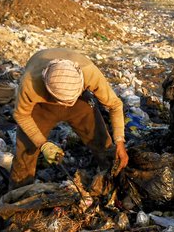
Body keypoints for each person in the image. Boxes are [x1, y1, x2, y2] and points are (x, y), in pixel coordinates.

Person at [10, 48, 128, 189]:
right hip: (41, 107)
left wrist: (120, 142)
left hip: (80, 102)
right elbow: (21, 115)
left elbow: (115, 105)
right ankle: (18, 196)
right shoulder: (30, 83)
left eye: (68, 102)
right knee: (25, 153)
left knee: (102, 142)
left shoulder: (89, 73)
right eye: (63, 102)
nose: (66, 105)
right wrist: (42, 144)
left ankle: (113, 183)